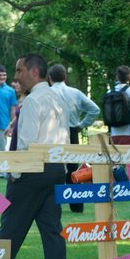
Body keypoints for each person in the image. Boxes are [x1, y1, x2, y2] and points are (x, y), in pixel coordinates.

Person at [0, 53, 69, 259]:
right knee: (52, 231)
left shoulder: (31, 102)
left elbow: (26, 144)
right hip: (55, 170)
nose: (15, 76)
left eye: (19, 71)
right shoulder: (58, 98)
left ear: (34, 72)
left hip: (31, 171)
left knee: (11, 228)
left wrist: (15, 174)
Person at [48, 63, 100, 213]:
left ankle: (53, 204)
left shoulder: (48, 93)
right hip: (72, 132)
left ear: (50, 78)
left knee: (53, 167)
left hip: (53, 133)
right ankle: (76, 205)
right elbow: (94, 109)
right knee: (73, 170)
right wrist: (82, 124)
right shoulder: (75, 93)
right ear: (65, 77)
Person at [8, 79, 28, 151]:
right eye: (15, 82)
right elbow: (18, 116)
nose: (15, 85)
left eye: (18, 83)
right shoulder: (19, 98)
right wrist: (11, 125)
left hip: (22, 133)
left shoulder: (28, 99)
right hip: (16, 130)